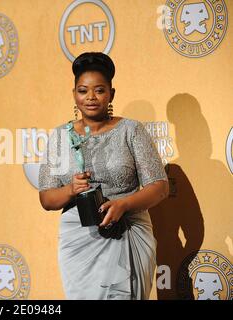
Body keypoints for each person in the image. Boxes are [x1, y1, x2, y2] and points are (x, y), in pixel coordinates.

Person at [39, 52, 169, 300]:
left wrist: (123, 204)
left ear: (111, 93)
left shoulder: (131, 130)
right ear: (74, 93)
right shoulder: (59, 137)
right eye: (82, 90)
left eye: (99, 90)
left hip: (127, 232)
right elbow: (46, 199)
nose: (90, 97)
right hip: (79, 242)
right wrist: (70, 189)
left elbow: (159, 187)